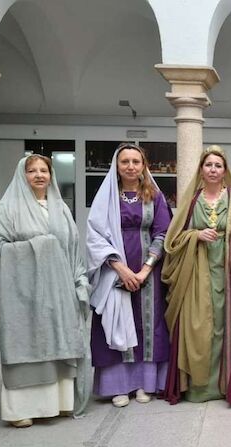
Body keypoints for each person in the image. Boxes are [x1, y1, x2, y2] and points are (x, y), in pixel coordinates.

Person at [161, 146, 231, 405]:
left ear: (225, 171)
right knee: (198, 327)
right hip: (197, 273)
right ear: (201, 169)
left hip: (229, 272)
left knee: (224, 325)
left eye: (218, 165)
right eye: (208, 165)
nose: (213, 169)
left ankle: (225, 383)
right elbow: (174, 239)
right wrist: (196, 235)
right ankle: (199, 386)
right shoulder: (192, 201)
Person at [0, 155, 91, 427]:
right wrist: (39, 247)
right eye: (31, 170)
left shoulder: (61, 208)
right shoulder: (7, 208)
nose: (39, 175)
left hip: (59, 291)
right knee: (27, 344)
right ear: (23, 175)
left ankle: (59, 403)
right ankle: (21, 410)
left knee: (59, 340)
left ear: (51, 175)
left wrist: (79, 281)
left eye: (44, 170)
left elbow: (72, 249)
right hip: (23, 295)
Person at [86, 143, 171, 408]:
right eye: (125, 162)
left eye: (136, 161)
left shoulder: (155, 196)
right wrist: (120, 268)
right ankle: (118, 386)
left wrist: (145, 269)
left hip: (149, 274)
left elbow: (163, 233)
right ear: (117, 165)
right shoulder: (106, 197)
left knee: (148, 324)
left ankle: (146, 383)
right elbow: (95, 236)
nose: (131, 167)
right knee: (116, 323)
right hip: (114, 272)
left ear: (144, 166)